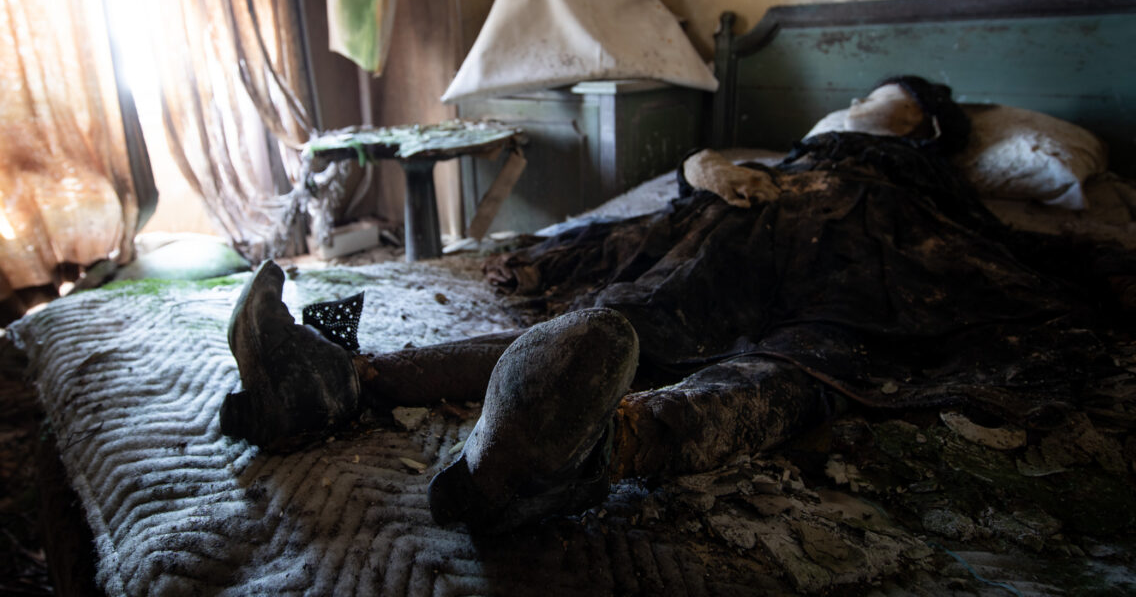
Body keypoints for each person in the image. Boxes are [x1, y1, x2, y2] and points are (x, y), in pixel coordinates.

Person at [220, 77, 1133, 532]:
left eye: (875, 100)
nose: (853, 105)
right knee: (613, 326)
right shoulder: (783, 162)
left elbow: (1012, 256)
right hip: (741, 239)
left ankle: (584, 456)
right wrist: (709, 165)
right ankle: (342, 378)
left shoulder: (931, 183)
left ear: (922, 125)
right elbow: (691, 192)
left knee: (815, 360)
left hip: (869, 271)